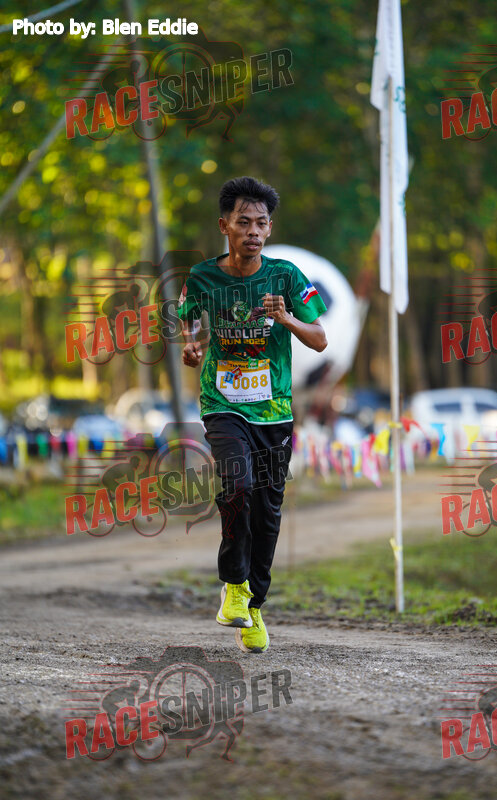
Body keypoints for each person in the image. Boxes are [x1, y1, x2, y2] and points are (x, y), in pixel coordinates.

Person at [178, 176, 327, 652]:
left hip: (274, 410)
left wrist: (286, 318)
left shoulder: (286, 276)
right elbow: (187, 315)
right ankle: (234, 585)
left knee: (267, 514)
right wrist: (192, 345)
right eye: (244, 222)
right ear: (225, 226)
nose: (254, 232)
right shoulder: (203, 276)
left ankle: (254, 606)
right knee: (236, 484)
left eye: (262, 223)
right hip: (223, 405)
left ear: (270, 228)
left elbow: (320, 338)